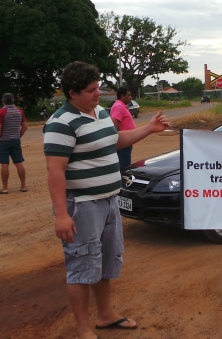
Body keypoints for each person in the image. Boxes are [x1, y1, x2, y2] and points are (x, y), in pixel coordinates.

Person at [43, 61, 171, 339]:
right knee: (81, 265)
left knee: (105, 261)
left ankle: (105, 315)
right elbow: (55, 171)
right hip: (82, 205)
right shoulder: (60, 124)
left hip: (110, 200)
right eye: (91, 90)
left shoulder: (99, 112)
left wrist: (148, 129)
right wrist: (62, 215)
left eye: (98, 88)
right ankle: (83, 328)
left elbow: (115, 141)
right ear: (72, 93)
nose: (98, 94)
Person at [0, 93, 28, 194]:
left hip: (3, 141)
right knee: (18, 162)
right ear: (13, 101)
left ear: (3, 101)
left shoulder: (1, 112)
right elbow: (24, 127)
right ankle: (23, 186)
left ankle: (5, 188)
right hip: (15, 140)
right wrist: (18, 136)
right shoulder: (19, 112)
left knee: (4, 163)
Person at [110, 87, 136, 172]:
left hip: (126, 142)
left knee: (125, 164)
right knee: (124, 167)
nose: (130, 97)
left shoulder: (121, 106)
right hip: (123, 143)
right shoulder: (119, 106)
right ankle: (124, 183)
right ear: (122, 96)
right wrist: (120, 135)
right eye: (128, 95)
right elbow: (114, 120)